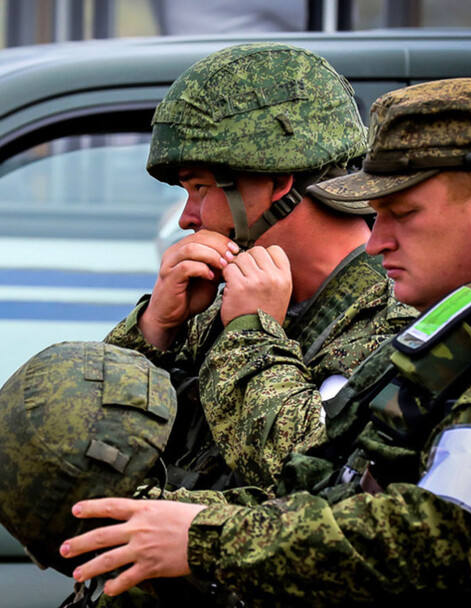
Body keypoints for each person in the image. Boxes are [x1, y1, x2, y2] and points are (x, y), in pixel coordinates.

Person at [63, 78, 471, 605]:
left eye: (403, 214)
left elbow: (432, 539)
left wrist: (202, 536)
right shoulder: (468, 329)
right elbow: (324, 480)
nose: (378, 239)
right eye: (377, 213)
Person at [104, 42, 415, 493]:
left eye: (199, 188)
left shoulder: (398, 324)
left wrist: (251, 334)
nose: (187, 218)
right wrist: (156, 328)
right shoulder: (214, 304)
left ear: (277, 182)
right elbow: (87, 435)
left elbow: (313, 482)